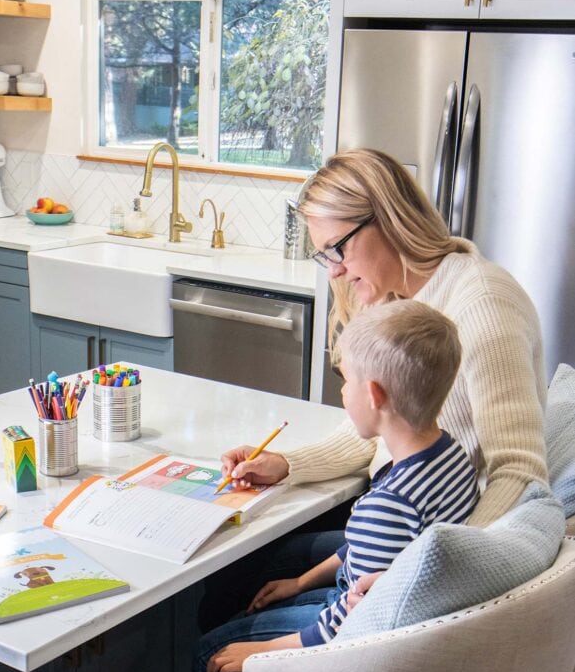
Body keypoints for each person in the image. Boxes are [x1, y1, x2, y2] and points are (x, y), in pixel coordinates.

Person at [221, 148, 548, 532]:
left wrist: (437, 566)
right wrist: (287, 464)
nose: (335, 272)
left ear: (389, 221)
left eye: (337, 248)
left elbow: (519, 471)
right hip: (404, 522)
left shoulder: (484, 307)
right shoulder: (396, 298)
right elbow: (382, 426)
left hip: (440, 539)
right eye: (325, 256)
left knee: (245, 574)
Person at [196, 300, 479, 672]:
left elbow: (349, 623)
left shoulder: (389, 504)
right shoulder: (450, 453)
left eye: (346, 381)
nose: (343, 392)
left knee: (209, 651)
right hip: (371, 597)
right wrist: (300, 582)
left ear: (375, 395)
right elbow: (369, 550)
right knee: (267, 588)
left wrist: (261, 651)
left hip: (355, 627)